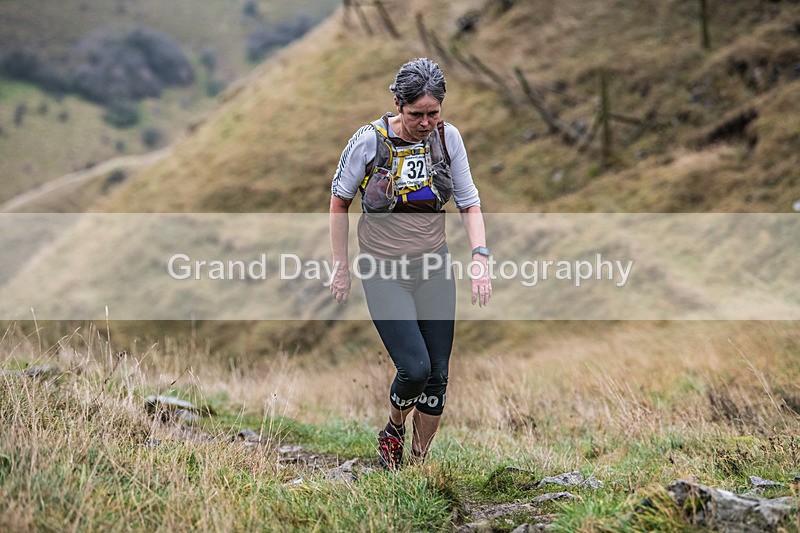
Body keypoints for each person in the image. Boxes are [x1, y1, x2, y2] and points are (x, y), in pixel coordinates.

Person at [329, 57, 491, 470]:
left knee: (438, 378)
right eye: (416, 114)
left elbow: (469, 203)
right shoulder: (368, 141)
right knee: (415, 369)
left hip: (433, 267)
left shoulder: (448, 138)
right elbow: (339, 202)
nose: (425, 122)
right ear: (398, 106)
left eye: (433, 113)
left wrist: (479, 257)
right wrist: (341, 266)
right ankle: (393, 429)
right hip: (384, 271)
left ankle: (416, 466)